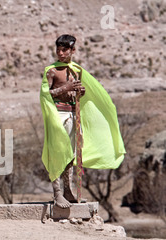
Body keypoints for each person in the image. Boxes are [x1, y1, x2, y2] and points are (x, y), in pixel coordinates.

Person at [40, 34, 126, 208]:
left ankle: (68, 190)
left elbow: (76, 92)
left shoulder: (77, 70)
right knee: (57, 152)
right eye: (58, 49)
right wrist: (66, 87)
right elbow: (45, 94)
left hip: (72, 114)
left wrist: (80, 91)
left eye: (64, 49)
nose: (60, 53)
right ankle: (57, 193)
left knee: (71, 154)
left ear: (73, 50)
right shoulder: (51, 71)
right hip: (58, 115)